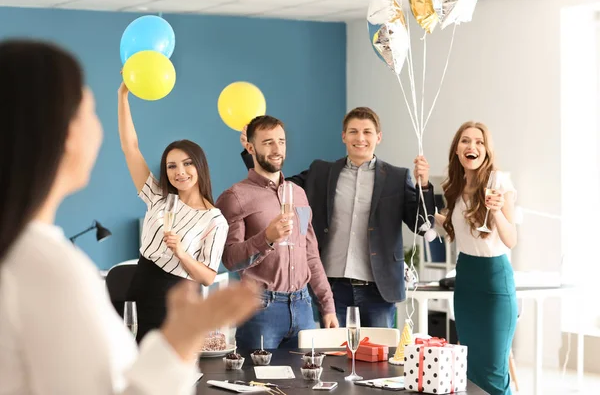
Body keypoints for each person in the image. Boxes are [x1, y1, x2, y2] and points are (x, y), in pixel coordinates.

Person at [0, 38, 259, 395]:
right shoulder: (55, 270)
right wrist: (182, 341)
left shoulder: (30, 257)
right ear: (65, 135)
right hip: (144, 283)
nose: (179, 172)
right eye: (89, 113)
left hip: (172, 292)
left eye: (186, 164)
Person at [240, 107, 434, 328]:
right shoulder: (321, 172)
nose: (360, 138)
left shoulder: (397, 177)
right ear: (343, 136)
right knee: (334, 358)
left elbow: (421, 225)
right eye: (353, 131)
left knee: (379, 360)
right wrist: (253, 153)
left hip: (379, 291)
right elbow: (275, 187)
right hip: (333, 290)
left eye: (367, 132)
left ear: (378, 137)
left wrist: (424, 186)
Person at [118, 82, 229, 342]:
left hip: (177, 301)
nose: (180, 172)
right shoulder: (158, 197)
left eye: (187, 164)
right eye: (171, 166)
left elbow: (208, 277)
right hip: (139, 290)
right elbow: (130, 147)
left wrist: (181, 252)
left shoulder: (214, 219)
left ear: (200, 166)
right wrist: (123, 96)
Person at [216, 115, 338, 349]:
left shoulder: (299, 195)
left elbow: (310, 254)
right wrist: (267, 238)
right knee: (258, 383)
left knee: (307, 382)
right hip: (260, 310)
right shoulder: (235, 197)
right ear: (250, 147)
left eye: (281, 141)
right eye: (268, 142)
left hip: (304, 309)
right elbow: (230, 260)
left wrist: (328, 306)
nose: (277, 149)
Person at [435, 121, 518, 395]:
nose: (472, 146)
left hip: (495, 281)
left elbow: (510, 240)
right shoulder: (455, 188)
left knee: (494, 370)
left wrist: (494, 211)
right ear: (457, 150)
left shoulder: (499, 182)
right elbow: (454, 228)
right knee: (470, 368)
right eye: (466, 141)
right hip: (466, 279)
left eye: (479, 142)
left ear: (486, 150)